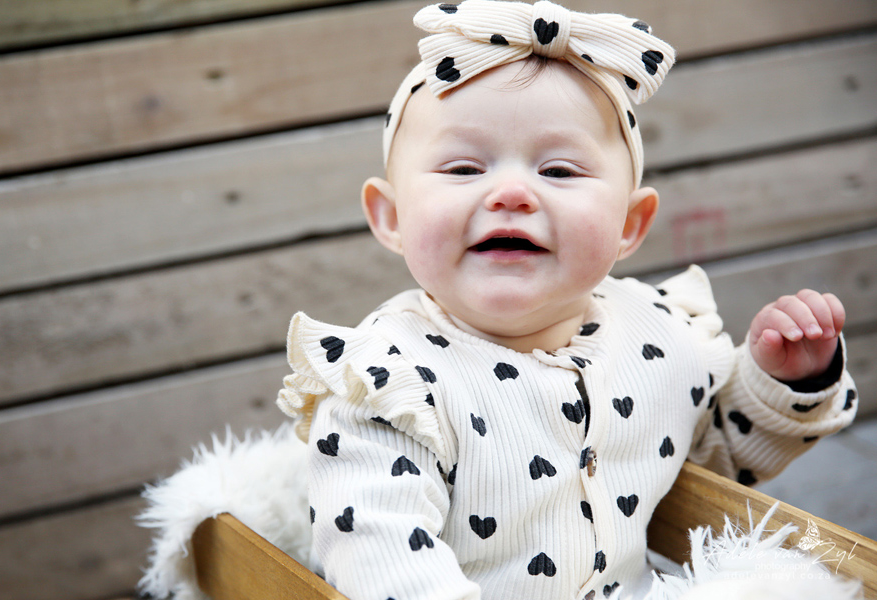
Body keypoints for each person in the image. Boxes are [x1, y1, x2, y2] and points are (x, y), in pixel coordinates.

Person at [277, 2, 858, 598]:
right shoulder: (387, 385)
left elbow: (718, 462)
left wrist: (783, 381)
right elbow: (383, 560)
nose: (511, 193)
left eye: (558, 171)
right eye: (463, 168)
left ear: (628, 224)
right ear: (392, 217)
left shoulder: (657, 334)